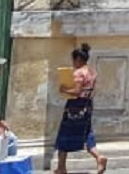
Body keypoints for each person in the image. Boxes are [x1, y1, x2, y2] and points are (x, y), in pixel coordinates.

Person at [53, 43, 106, 174]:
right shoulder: (92, 71)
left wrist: (64, 89)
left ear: (78, 59)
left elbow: (77, 91)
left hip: (74, 108)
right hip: (87, 105)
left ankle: (61, 167)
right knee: (87, 133)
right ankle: (99, 157)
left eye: (74, 60)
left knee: (63, 136)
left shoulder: (79, 73)